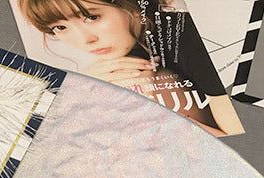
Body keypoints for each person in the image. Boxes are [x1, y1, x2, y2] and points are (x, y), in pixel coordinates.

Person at [18, 0, 243, 135]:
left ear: (132, 6)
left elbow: (239, 144)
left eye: (91, 17)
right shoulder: (122, 58)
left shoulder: (186, 37)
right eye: (59, 27)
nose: (85, 40)